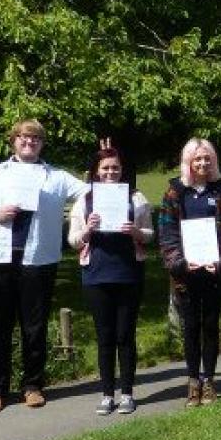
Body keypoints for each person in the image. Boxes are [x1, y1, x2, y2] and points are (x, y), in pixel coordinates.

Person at [0, 120, 89, 411]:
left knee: (34, 326)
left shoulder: (57, 177)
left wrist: (78, 219)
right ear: (13, 140)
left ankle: (33, 385)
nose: (29, 142)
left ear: (42, 143)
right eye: (24, 137)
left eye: (35, 138)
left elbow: (91, 194)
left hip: (38, 259)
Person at [67, 142, 154, 414]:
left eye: (115, 167)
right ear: (95, 171)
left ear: (122, 170)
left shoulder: (136, 198)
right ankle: (106, 394)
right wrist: (87, 231)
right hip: (96, 274)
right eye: (105, 168)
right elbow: (72, 240)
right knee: (104, 336)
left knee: (125, 335)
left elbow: (150, 234)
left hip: (128, 273)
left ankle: (127, 392)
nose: (110, 172)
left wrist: (136, 233)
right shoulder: (85, 201)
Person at [157, 138, 221, 406]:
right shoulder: (174, 192)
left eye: (207, 158)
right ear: (188, 162)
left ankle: (210, 382)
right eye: (197, 159)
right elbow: (167, 234)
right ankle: (193, 382)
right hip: (185, 275)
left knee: (211, 326)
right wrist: (180, 263)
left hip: (214, 272)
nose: (203, 163)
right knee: (190, 327)